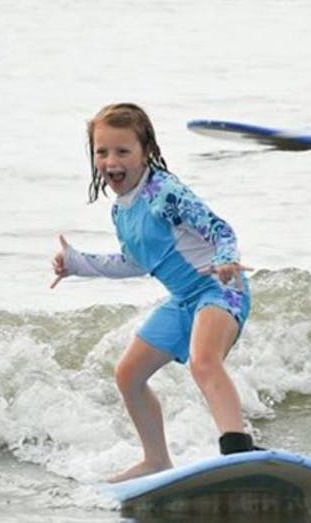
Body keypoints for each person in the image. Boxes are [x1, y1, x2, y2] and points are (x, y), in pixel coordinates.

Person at [51, 103, 262, 483]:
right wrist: (77, 264)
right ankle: (156, 460)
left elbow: (220, 230)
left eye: (122, 151)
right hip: (183, 302)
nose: (111, 160)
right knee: (128, 374)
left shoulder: (165, 191)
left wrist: (228, 259)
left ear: (145, 151)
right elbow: (136, 262)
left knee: (204, 360)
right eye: (102, 151)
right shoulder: (121, 211)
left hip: (218, 288)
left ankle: (237, 450)